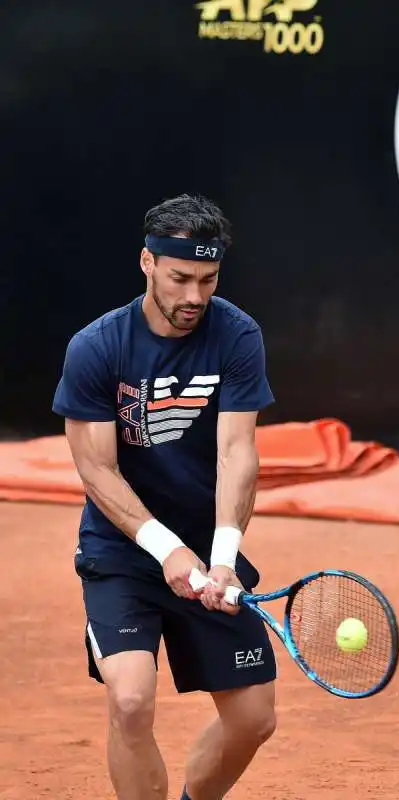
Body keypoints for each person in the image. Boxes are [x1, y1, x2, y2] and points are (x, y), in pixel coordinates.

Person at [52, 193, 277, 800]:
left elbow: (238, 453)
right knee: (129, 701)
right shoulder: (97, 347)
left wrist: (223, 553)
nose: (194, 297)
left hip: (208, 550)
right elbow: (96, 469)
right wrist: (165, 549)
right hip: (123, 552)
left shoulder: (236, 335)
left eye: (208, 280)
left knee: (255, 719)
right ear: (147, 263)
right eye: (180, 278)